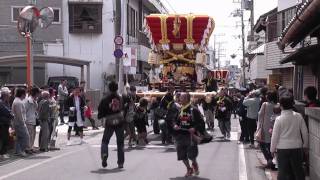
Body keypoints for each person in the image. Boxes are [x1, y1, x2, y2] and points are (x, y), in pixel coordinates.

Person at [271, 96, 308, 180]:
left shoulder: (279, 119)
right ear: (292, 104)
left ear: (281, 106)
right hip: (297, 147)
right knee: (298, 171)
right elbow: (305, 132)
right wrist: (305, 145)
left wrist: (272, 149)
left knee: (283, 172)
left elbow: (275, 136)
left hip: (282, 149)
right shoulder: (298, 116)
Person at [173, 93, 203, 177]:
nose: (179, 99)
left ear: (187, 99)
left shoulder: (194, 110)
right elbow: (175, 120)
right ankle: (189, 169)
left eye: (181, 98)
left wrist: (194, 128)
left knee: (191, 155)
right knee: (182, 155)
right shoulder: (180, 109)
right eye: (179, 98)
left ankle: (194, 163)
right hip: (180, 135)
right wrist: (175, 125)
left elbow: (201, 122)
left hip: (191, 136)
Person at [98, 81, 125, 169]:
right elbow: (124, 108)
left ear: (109, 88)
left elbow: (100, 111)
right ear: (117, 88)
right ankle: (120, 163)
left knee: (105, 141)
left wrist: (101, 116)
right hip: (119, 121)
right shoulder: (120, 98)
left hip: (109, 121)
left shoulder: (105, 99)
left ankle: (104, 155)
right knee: (120, 143)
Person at [257, 91, 278, 170]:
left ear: (268, 97)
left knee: (262, 144)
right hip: (274, 127)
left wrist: (259, 126)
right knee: (271, 145)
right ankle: (272, 161)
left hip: (265, 128)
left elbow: (259, 114)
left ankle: (269, 160)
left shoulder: (265, 104)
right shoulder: (277, 105)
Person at [11, 88, 31, 156]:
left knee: (18, 137)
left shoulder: (17, 101)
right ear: (22, 94)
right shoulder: (18, 102)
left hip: (17, 122)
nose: (25, 95)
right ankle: (22, 150)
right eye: (25, 94)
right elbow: (20, 114)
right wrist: (23, 123)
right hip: (20, 123)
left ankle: (17, 151)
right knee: (25, 136)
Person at [24, 87, 40, 152]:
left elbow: (36, 108)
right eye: (38, 93)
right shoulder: (28, 100)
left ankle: (31, 147)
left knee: (33, 135)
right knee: (29, 135)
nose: (39, 95)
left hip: (33, 119)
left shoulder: (34, 100)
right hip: (28, 120)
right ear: (36, 93)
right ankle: (28, 148)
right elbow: (25, 110)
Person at [0, 87, 14, 159]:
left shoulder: (6, 102)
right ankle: (2, 153)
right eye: (9, 94)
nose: (10, 95)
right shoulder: (1, 103)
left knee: (5, 138)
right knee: (4, 138)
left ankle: (4, 152)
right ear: (5, 95)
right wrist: (12, 115)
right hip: (2, 124)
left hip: (5, 123)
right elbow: (8, 112)